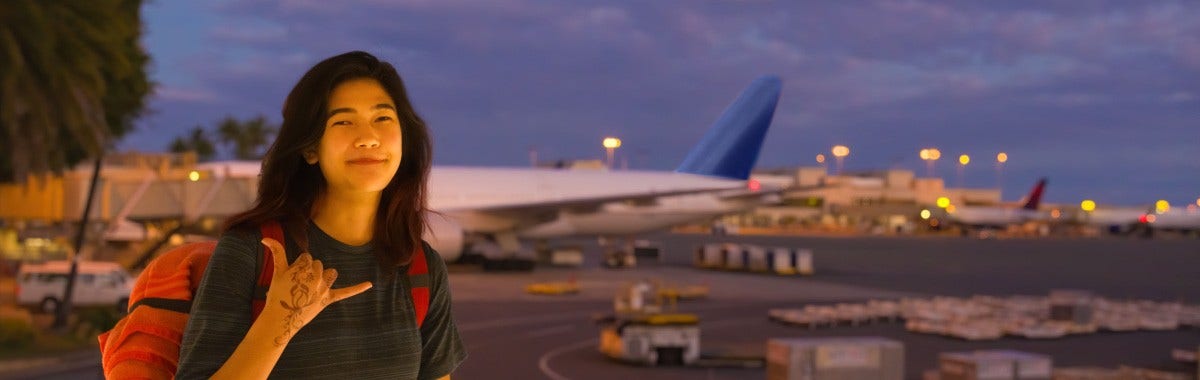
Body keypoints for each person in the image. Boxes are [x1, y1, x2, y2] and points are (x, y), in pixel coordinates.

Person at [176, 51, 466, 379]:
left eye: (382, 119)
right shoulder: (253, 252)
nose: (369, 138)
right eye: (343, 121)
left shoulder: (421, 268)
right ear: (310, 148)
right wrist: (279, 322)